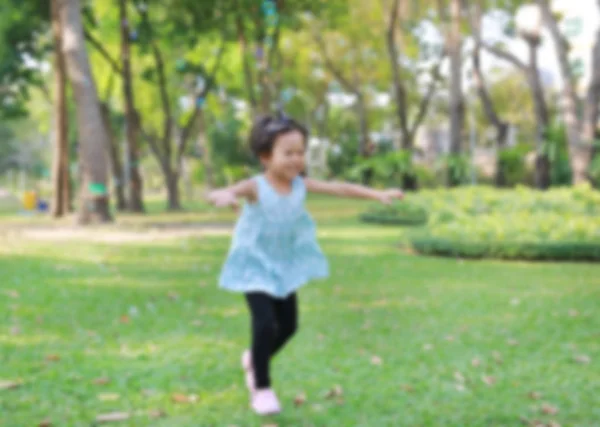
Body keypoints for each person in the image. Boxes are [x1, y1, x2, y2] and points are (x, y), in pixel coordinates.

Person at [206, 113, 403, 416]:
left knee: (289, 326)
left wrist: (377, 194)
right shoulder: (257, 186)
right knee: (264, 323)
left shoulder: (300, 184)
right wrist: (222, 195)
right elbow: (228, 190)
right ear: (265, 156)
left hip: (283, 265)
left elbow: (341, 189)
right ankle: (261, 387)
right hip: (254, 264)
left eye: (300, 152)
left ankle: (254, 359)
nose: (297, 159)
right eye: (288, 153)